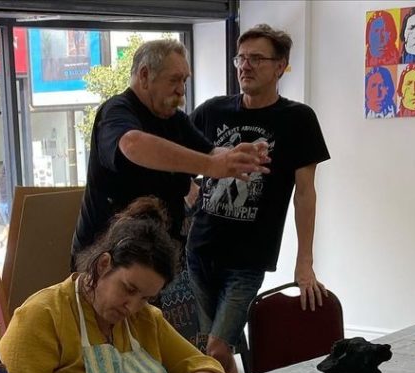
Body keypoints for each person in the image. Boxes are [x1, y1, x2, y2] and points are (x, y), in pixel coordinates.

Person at [0, 198, 235, 373]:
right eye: (128, 289)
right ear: (103, 265)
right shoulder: (42, 316)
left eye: (146, 298)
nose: (133, 307)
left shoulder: (146, 319)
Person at [186, 24, 331, 373]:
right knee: (208, 350)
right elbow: (179, 157)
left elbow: (305, 195)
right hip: (200, 248)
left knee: (219, 347)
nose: (244, 66)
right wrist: (188, 191)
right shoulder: (212, 111)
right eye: (241, 58)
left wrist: (305, 263)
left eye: (256, 59)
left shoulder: (298, 119)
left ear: (280, 66)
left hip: (248, 258)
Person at [71, 38, 269, 261]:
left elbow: (210, 152)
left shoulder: (174, 118)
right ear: (145, 75)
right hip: (106, 256)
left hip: (154, 252)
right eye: (174, 80)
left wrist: (236, 156)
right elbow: (132, 144)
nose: (181, 90)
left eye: (184, 81)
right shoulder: (116, 111)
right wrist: (211, 166)